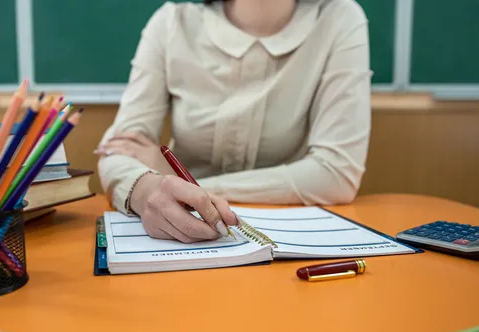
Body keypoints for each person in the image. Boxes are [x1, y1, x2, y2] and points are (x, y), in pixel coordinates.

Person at [95, 0, 372, 243]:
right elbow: (116, 152)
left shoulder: (339, 19)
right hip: (183, 240)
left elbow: (336, 174)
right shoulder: (171, 24)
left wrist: (187, 188)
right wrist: (146, 189)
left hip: (288, 237)